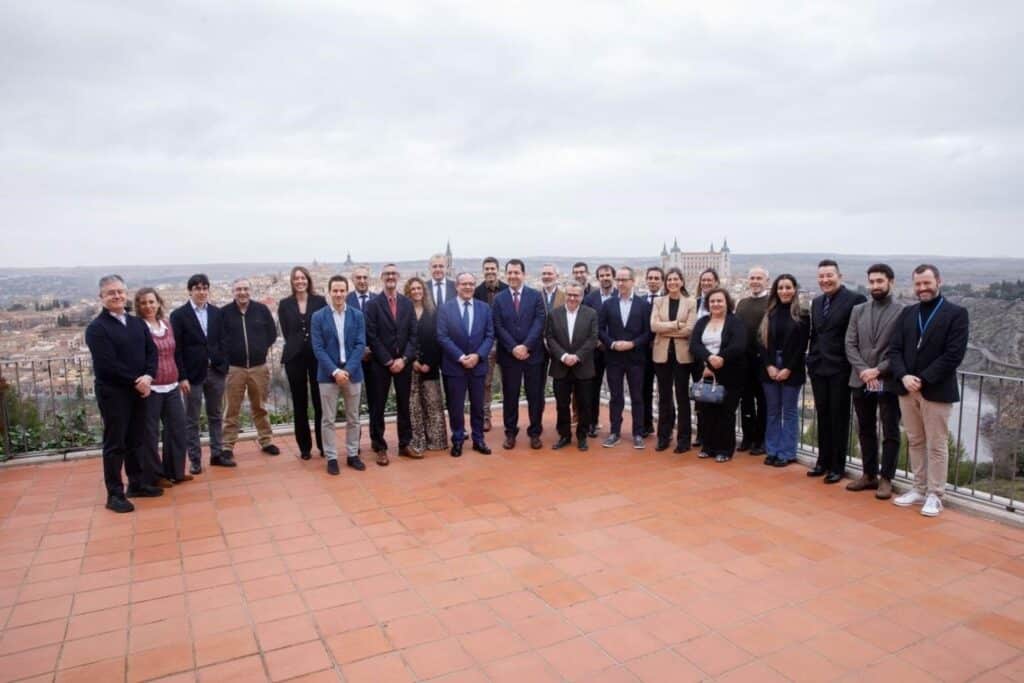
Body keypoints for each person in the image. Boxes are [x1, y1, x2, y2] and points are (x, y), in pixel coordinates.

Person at [889, 265, 969, 517]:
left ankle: (935, 494)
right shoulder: (908, 313)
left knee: (936, 444)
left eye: (927, 283)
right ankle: (918, 488)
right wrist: (904, 376)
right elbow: (894, 349)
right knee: (915, 441)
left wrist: (922, 379)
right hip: (906, 388)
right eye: (918, 284)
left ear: (938, 282)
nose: (922, 288)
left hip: (936, 390)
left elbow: (953, 355)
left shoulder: (956, 314)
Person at [85, 275, 160, 513]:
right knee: (115, 444)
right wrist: (137, 381)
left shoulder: (137, 323)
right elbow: (107, 365)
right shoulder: (97, 329)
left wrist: (148, 376)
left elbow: (152, 352)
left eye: (120, 291)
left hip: (139, 390)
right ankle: (114, 494)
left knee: (136, 440)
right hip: (114, 394)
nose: (117, 296)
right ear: (101, 297)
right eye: (111, 293)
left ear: (126, 294)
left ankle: (136, 484)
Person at [844, 264, 904, 498]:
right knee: (865, 428)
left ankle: (886, 478)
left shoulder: (903, 312)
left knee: (890, 430)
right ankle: (869, 475)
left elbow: (900, 349)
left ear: (891, 282)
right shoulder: (858, 310)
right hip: (860, 379)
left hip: (887, 381)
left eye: (880, 281)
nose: (875, 285)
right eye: (872, 281)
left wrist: (877, 370)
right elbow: (850, 344)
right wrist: (863, 370)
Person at [806, 260, 867, 484]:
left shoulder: (855, 300)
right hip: (818, 367)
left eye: (829, 275)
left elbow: (858, 336)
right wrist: (811, 360)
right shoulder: (817, 302)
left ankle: (837, 466)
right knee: (823, 415)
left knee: (839, 417)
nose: (825, 280)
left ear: (840, 276)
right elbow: (815, 334)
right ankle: (822, 461)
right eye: (821, 276)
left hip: (841, 368)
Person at [170, 273, 229, 473]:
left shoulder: (216, 313)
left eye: (205, 288)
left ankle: (217, 454)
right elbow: (177, 349)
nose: (202, 292)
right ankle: (195, 460)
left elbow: (223, 340)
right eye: (197, 288)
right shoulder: (179, 315)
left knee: (216, 415)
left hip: (216, 371)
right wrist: (182, 377)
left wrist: (223, 365)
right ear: (190, 291)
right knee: (192, 419)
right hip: (192, 375)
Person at [311, 275, 368, 475]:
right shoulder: (318, 317)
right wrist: (335, 371)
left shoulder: (357, 315)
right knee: (328, 419)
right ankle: (332, 457)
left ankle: (352, 454)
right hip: (328, 374)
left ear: (347, 292)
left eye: (342, 290)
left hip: (352, 373)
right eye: (335, 290)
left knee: (353, 418)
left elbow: (360, 344)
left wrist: (348, 370)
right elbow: (318, 348)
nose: (338, 294)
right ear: (329, 292)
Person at [436, 272, 495, 457]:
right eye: (464, 284)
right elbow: (442, 336)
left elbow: (490, 335)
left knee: (478, 406)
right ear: (457, 286)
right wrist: (461, 357)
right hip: (454, 366)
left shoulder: (484, 308)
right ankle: (458, 439)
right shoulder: (445, 309)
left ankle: (478, 440)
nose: (468, 287)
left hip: (478, 365)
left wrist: (478, 356)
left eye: (471, 284)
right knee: (456, 406)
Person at [363, 264, 417, 465]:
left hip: (404, 363)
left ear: (398, 276)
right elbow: (372, 336)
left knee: (404, 405)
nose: (390, 277)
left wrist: (404, 359)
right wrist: (388, 360)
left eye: (393, 273)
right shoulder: (373, 305)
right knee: (378, 405)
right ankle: (380, 446)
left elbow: (413, 335)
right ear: (381, 277)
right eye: (387, 274)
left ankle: (405, 444)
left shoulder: (407, 303)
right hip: (381, 364)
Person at [221, 278, 279, 461]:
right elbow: (219, 339)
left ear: (250, 290)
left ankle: (266, 440)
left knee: (260, 406)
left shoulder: (261, 310)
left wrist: (260, 348)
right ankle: (227, 445)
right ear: (233, 292)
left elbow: (272, 333)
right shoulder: (224, 313)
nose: (242, 292)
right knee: (231, 408)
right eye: (238, 289)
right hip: (234, 368)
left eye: (245, 289)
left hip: (258, 367)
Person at [135, 288, 189, 487]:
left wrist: (182, 377)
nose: (148, 306)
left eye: (151, 302)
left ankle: (175, 471)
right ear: (138, 306)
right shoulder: (138, 328)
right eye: (143, 303)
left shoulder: (167, 324)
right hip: (152, 388)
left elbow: (176, 353)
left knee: (177, 428)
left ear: (158, 303)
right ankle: (155, 476)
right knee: (150, 433)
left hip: (172, 385)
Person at [492, 259, 547, 450]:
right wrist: (514, 347)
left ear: (523, 274)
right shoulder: (499, 299)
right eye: (510, 272)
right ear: (505, 274)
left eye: (516, 272)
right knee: (510, 396)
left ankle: (535, 433)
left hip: (533, 355)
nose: (513, 276)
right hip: (509, 356)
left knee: (535, 396)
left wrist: (526, 346)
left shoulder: (535, 296)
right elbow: (498, 325)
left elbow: (540, 322)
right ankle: (510, 433)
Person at [689, 288, 747, 463]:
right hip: (706, 372)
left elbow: (739, 344)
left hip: (730, 372)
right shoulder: (702, 322)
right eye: (712, 301)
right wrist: (709, 359)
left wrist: (721, 358)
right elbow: (694, 344)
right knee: (707, 412)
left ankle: (725, 449)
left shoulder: (735, 322)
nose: (716, 304)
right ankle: (708, 447)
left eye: (719, 301)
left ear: (727, 302)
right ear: (708, 304)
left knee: (726, 412)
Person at [758, 274, 810, 467]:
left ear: (794, 289)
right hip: (770, 365)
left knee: (788, 411)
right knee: (772, 411)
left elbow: (802, 345)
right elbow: (762, 341)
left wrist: (788, 368)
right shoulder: (769, 313)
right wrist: (769, 365)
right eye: (780, 288)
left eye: (788, 287)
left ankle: (787, 452)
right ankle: (772, 450)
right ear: (775, 290)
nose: (784, 291)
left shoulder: (802, 314)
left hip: (792, 367)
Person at [598, 266, 652, 449]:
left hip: (636, 358)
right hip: (614, 358)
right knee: (616, 397)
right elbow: (600, 329)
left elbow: (648, 332)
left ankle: (638, 433)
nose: (620, 283)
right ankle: (615, 432)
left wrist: (633, 344)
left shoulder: (644, 305)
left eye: (624, 280)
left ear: (633, 281)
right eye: (618, 280)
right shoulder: (608, 304)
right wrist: (612, 344)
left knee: (637, 397)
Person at [278, 266, 327, 460]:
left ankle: (323, 445)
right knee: (299, 404)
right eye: (296, 278)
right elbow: (286, 331)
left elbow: (324, 327)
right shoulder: (285, 304)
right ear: (292, 281)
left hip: (317, 356)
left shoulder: (320, 301)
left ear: (308, 280)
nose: (300, 281)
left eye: (303, 278)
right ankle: (304, 447)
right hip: (294, 357)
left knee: (319, 402)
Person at [546, 283, 598, 451]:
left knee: (584, 404)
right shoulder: (554, 314)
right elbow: (550, 338)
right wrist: (563, 356)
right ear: (565, 295)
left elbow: (593, 338)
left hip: (583, 366)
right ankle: (564, 436)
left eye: (576, 295)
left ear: (582, 297)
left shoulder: (591, 314)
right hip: (560, 367)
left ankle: (582, 436)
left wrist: (577, 356)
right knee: (562, 405)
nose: (572, 298)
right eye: (569, 294)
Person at [650, 268, 696, 453]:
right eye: (669, 280)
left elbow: (690, 329)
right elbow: (654, 326)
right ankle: (663, 436)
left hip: (682, 356)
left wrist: (665, 329)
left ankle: (684, 440)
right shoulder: (659, 301)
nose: (672, 282)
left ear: (682, 282)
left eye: (676, 279)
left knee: (682, 398)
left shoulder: (690, 302)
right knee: (664, 397)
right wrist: (677, 325)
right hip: (661, 355)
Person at [406, 277, 448, 454]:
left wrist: (429, 363)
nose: (416, 291)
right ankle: (418, 441)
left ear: (424, 291)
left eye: (419, 288)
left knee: (433, 403)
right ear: (408, 292)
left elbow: (439, 339)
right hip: (410, 365)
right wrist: (413, 361)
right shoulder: (405, 313)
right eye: (413, 289)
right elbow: (402, 339)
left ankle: (437, 440)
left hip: (430, 365)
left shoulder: (433, 313)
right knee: (414, 406)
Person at [734, 267, 771, 455]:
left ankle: (761, 439)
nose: (755, 281)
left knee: (763, 401)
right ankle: (748, 437)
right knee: (746, 400)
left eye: (759, 278)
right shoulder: (742, 303)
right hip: (743, 360)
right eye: (752, 278)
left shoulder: (771, 302)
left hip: (762, 360)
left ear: (766, 281)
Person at [474, 256, 508, 432]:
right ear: (483, 271)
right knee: (485, 383)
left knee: (508, 382)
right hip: (486, 343)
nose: (489, 272)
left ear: (498, 270)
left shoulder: (507, 289)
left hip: (505, 343)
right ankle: (486, 418)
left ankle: (509, 418)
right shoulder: (476, 291)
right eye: (486, 269)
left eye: (492, 268)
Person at [583, 264, 616, 438]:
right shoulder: (590, 298)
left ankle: (615, 427)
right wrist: (595, 341)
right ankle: (592, 423)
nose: (605, 278)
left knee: (616, 390)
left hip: (615, 351)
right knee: (593, 389)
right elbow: (585, 322)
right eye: (601, 275)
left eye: (608, 275)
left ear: (613, 276)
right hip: (595, 350)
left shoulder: (621, 295)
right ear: (597, 278)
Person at [691, 268, 721, 449]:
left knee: (714, 396)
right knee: (700, 396)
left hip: (716, 357)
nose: (706, 283)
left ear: (716, 282)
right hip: (696, 357)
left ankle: (714, 434)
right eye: (703, 280)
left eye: (710, 280)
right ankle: (701, 434)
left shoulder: (722, 304)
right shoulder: (694, 303)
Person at [347, 265, 376, 443]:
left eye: (365, 277)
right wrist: (359, 351)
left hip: (375, 358)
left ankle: (376, 440)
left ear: (369, 279)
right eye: (358, 278)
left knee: (376, 402)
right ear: (353, 280)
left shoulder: (378, 299)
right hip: (353, 360)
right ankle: (354, 443)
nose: (362, 281)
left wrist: (372, 349)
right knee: (353, 405)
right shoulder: (345, 300)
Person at [641, 267, 665, 438]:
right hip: (643, 353)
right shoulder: (640, 301)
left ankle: (665, 429)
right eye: (650, 277)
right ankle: (646, 424)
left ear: (662, 281)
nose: (653, 281)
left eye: (657, 278)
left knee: (665, 391)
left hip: (663, 350)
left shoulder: (669, 300)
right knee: (644, 390)